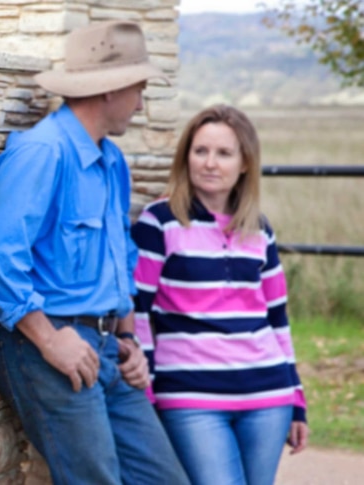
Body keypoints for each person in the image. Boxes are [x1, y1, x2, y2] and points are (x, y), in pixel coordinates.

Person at [0, 20, 189, 485]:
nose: (142, 103)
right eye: (139, 89)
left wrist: (129, 339)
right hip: (48, 348)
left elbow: (119, 256)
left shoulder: (111, 159)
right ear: (111, 89)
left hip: (110, 349)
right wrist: (50, 339)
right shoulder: (44, 152)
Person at [131, 104, 309, 485]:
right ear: (186, 156)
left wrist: (296, 399)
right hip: (190, 395)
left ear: (245, 163)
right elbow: (138, 310)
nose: (210, 163)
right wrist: (144, 390)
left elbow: (277, 318)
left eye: (224, 153)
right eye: (201, 151)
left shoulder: (259, 230)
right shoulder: (159, 222)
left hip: (267, 393)